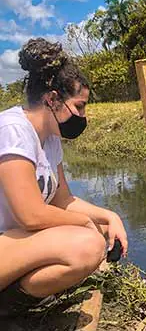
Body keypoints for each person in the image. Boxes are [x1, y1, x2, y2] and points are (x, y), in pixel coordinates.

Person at [0, 38, 128, 316]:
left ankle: (14, 299)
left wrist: (108, 217)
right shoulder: (13, 129)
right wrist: (85, 223)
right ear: (53, 99)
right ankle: (10, 306)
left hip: (17, 244)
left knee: (100, 233)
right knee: (88, 242)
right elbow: (31, 215)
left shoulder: (51, 138)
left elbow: (63, 200)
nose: (83, 115)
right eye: (79, 106)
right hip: (5, 241)